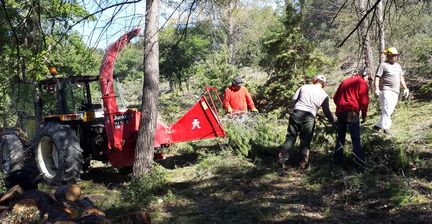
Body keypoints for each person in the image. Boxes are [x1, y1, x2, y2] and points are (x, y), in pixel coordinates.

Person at [278, 75, 335, 170]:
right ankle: (303, 164)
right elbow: (326, 111)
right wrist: (333, 121)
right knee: (305, 141)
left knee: (291, 137)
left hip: (297, 113)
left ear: (315, 80)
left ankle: (282, 158)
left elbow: (293, 99)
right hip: (310, 117)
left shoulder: (304, 87)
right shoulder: (324, 95)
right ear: (324, 84)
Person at [333, 67, 370, 169]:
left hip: (340, 112)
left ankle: (337, 161)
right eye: (368, 78)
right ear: (365, 76)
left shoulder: (344, 81)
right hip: (351, 112)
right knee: (355, 137)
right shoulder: (361, 82)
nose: (368, 80)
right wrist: (364, 115)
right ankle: (359, 163)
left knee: (340, 136)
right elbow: (364, 101)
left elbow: (335, 98)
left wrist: (341, 106)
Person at [373, 47, 409, 134]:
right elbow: (377, 78)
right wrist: (377, 89)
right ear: (388, 56)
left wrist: (405, 88)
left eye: (396, 55)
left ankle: (377, 126)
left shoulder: (398, 66)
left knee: (389, 110)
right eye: (393, 55)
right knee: (386, 108)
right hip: (385, 90)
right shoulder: (383, 65)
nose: (395, 57)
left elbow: (401, 78)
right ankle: (386, 128)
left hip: (395, 91)